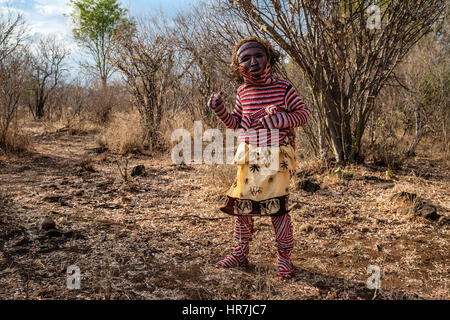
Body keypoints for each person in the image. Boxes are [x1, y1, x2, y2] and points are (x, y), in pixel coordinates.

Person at [208, 37, 310, 279]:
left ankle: (284, 259)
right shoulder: (242, 91)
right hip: (250, 157)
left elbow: (303, 114)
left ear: (269, 59)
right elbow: (238, 125)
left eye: (258, 56)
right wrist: (219, 109)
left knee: (278, 210)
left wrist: (280, 119)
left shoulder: (283, 88)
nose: (252, 61)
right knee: (242, 209)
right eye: (245, 58)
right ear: (237, 65)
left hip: (276, 156)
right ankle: (239, 254)